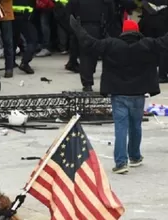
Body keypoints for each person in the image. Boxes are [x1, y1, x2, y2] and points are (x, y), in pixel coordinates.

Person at [70, 17, 163, 174]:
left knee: (121, 128)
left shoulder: (110, 44)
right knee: (136, 126)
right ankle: (134, 156)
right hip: (138, 94)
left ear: (123, 32)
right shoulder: (147, 44)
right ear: (137, 31)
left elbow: (88, 42)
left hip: (118, 94)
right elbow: (165, 41)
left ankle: (121, 163)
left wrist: (76, 27)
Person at [68, 0, 115, 92]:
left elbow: (69, 13)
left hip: (83, 27)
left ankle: (87, 83)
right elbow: (111, 12)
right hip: (100, 27)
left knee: (86, 57)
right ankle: (104, 84)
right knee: (101, 55)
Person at [12, 0, 38, 74]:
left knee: (14, 39)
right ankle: (25, 63)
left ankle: (11, 63)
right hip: (25, 16)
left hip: (11, 15)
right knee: (33, 40)